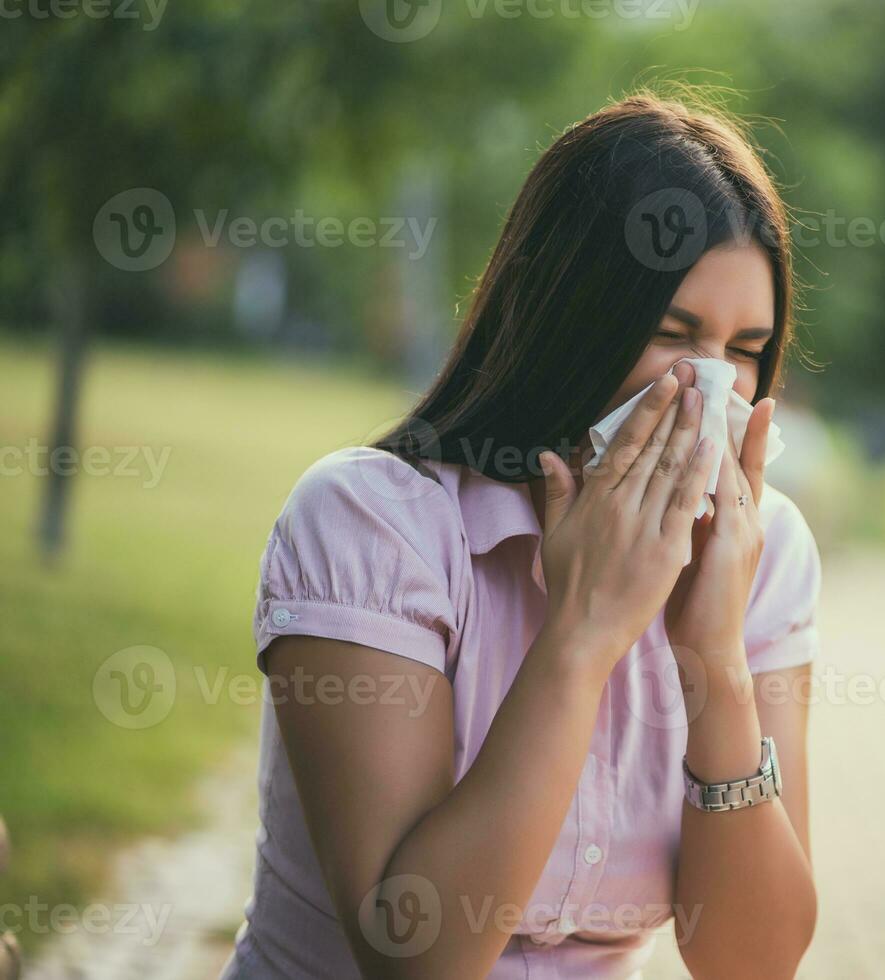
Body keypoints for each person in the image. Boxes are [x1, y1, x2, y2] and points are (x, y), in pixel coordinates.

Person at [220, 91, 822, 979]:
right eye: (672, 335)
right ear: (567, 324)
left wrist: (715, 660)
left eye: (744, 349)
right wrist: (584, 636)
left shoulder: (761, 553)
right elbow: (415, 958)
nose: (709, 387)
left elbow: (751, 962)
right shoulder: (372, 523)